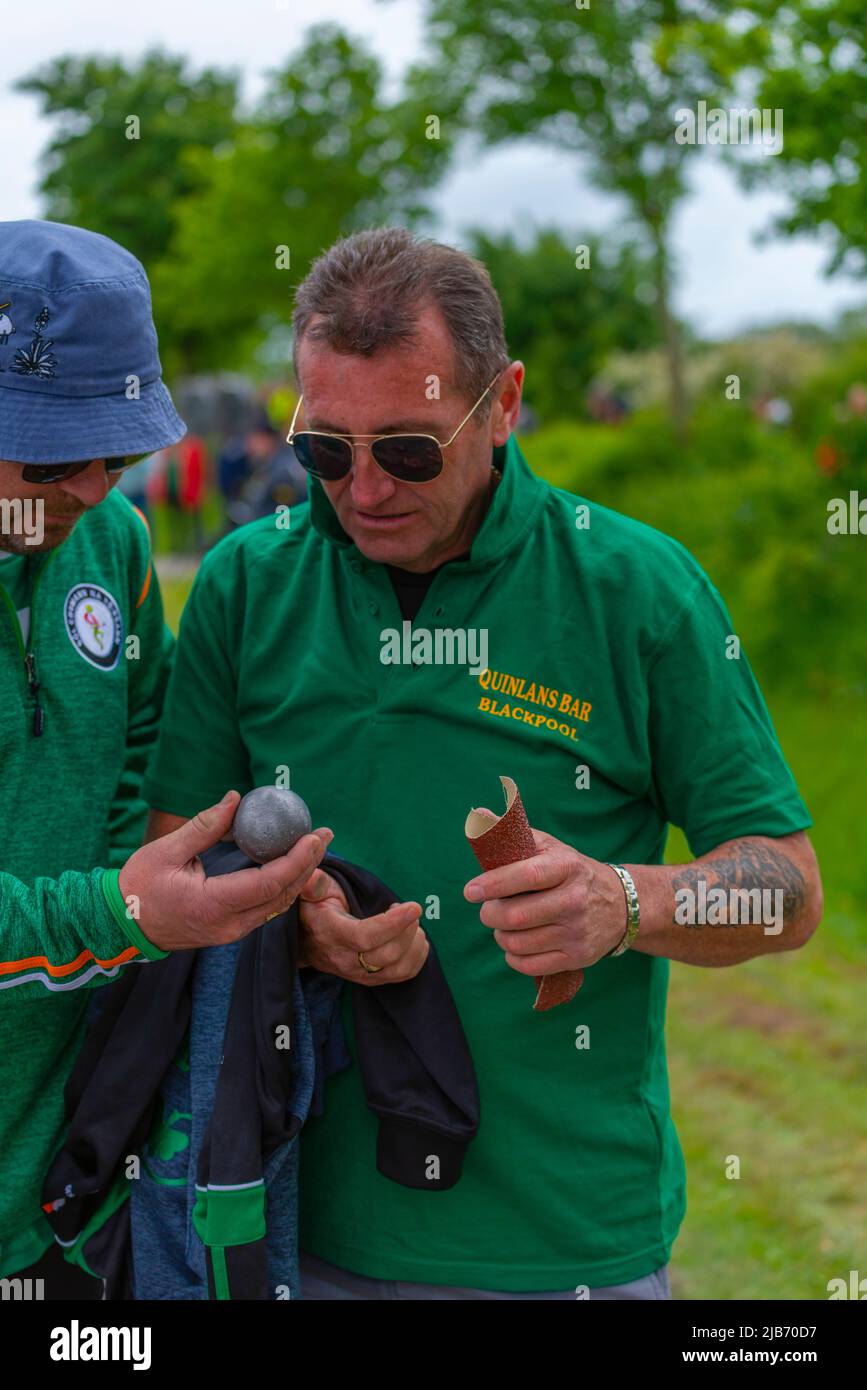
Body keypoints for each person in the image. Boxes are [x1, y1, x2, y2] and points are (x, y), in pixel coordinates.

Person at [142, 226, 823, 1301]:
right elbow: (164, 862)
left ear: (502, 404)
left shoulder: (638, 589)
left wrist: (623, 900)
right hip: (288, 1221)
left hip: (562, 1243)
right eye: (325, 450)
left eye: (409, 450)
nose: (362, 490)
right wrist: (290, 921)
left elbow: (786, 892)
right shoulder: (244, 585)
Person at [0, 220, 332, 1296]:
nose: (95, 486)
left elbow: (144, 770)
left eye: (122, 452)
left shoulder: (113, 544)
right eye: (55, 453)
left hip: (69, 1193)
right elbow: (124, 900)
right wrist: (122, 915)